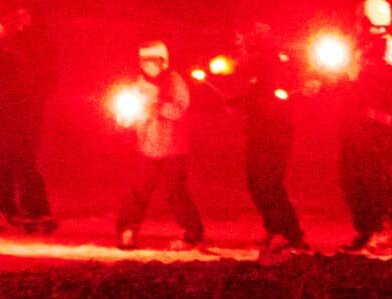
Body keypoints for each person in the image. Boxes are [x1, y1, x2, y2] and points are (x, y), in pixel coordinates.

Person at [212, 26, 305, 260]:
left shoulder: (271, 64)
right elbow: (259, 96)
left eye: (245, 44)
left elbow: (270, 97)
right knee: (256, 183)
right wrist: (239, 102)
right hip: (260, 132)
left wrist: (244, 102)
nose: (241, 50)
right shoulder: (261, 68)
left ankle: (289, 232)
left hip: (274, 134)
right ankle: (274, 228)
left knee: (269, 183)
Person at [335, 0, 392, 254]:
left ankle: (390, 230)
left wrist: (365, 70)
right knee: (350, 177)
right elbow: (345, 81)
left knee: (374, 175)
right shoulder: (357, 48)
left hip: (380, 121)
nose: (356, 24)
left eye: (360, 19)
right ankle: (365, 228)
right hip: (354, 121)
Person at [0, 4, 54, 228]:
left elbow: (15, 86)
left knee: (17, 160)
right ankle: (7, 205)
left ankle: (27, 208)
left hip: (11, 116)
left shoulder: (11, 55)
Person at [114, 41, 202, 250]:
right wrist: (125, 116)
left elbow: (181, 109)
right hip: (147, 147)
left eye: (153, 60)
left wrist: (159, 106)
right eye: (144, 60)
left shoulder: (174, 82)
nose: (148, 65)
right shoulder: (136, 86)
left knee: (176, 192)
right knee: (139, 191)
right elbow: (125, 115)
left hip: (174, 148)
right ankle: (128, 230)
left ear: (163, 61)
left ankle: (192, 233)